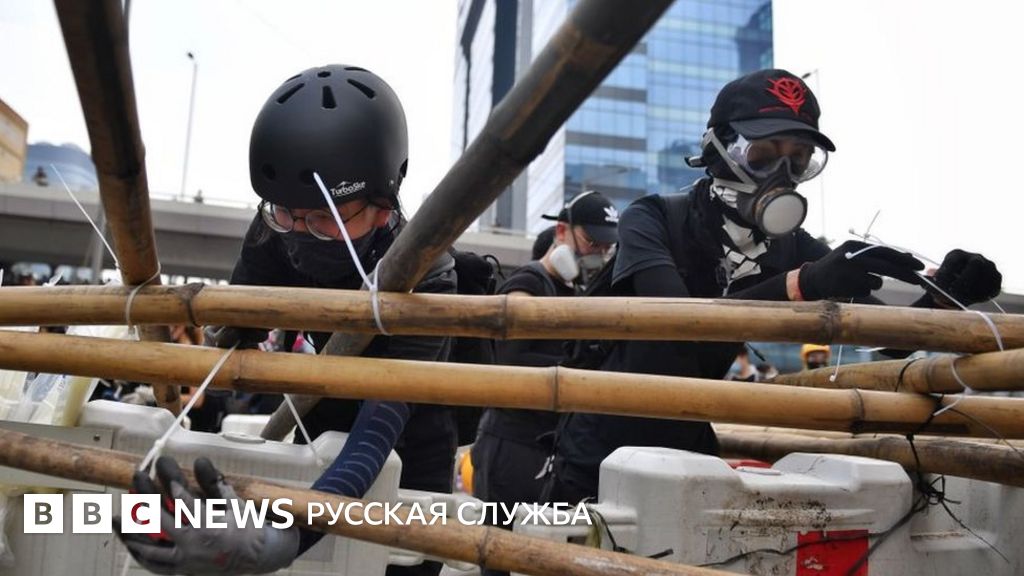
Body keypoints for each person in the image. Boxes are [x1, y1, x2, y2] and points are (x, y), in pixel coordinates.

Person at [545, 68, 1003, 504]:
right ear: (719, 149)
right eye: (763, 155)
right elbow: (677, 325)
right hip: (599, 441)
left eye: (798, 160)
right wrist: (799, 285)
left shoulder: (790, 245)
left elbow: (887, 337)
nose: (782, 175)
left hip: (686, 442)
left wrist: (941, 296)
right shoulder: (654, 218)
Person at [117, 64, 458, 576]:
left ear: (383, 208)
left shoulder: (427, 277)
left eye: (323, 218)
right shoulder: (274, 230)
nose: (298, 233)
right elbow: (230, 345)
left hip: (406, 445)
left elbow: (375, 434)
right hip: (316, 415)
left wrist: (285, 537)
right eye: (284, 212)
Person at [471, 191, 617, 576]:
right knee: (500, 554)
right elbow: (509, 363)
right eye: (592, 242)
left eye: (607, 247)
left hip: (550, 446)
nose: (599, 254)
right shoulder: (528, 283)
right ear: (562, 231)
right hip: (512, 442)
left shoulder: (575, 291)